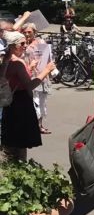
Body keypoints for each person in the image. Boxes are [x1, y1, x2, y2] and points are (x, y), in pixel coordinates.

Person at [2, 31, 54, 159]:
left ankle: (11, 167)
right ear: (13, 46)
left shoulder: (5, 61)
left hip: (9, 102)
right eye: (22, 43)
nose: (25, 45)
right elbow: (29, 85)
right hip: (20, 102)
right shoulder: (17, 63)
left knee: (11, 139)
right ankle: (20, 168)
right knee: (20, 142)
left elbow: (14, 79)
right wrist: (46, 70)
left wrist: (29, 68)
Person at [22, 22, 53, 134]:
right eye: (24, 32)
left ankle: (39, 125)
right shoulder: (22, 44)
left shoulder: (40, 42)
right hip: (27, 75)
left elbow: (47, 58)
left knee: (41, 102)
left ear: (34, 32)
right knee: (32, 102)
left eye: (29, 32)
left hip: (41, 75)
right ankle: (31, 125)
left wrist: (49, 71)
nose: (27, 34)